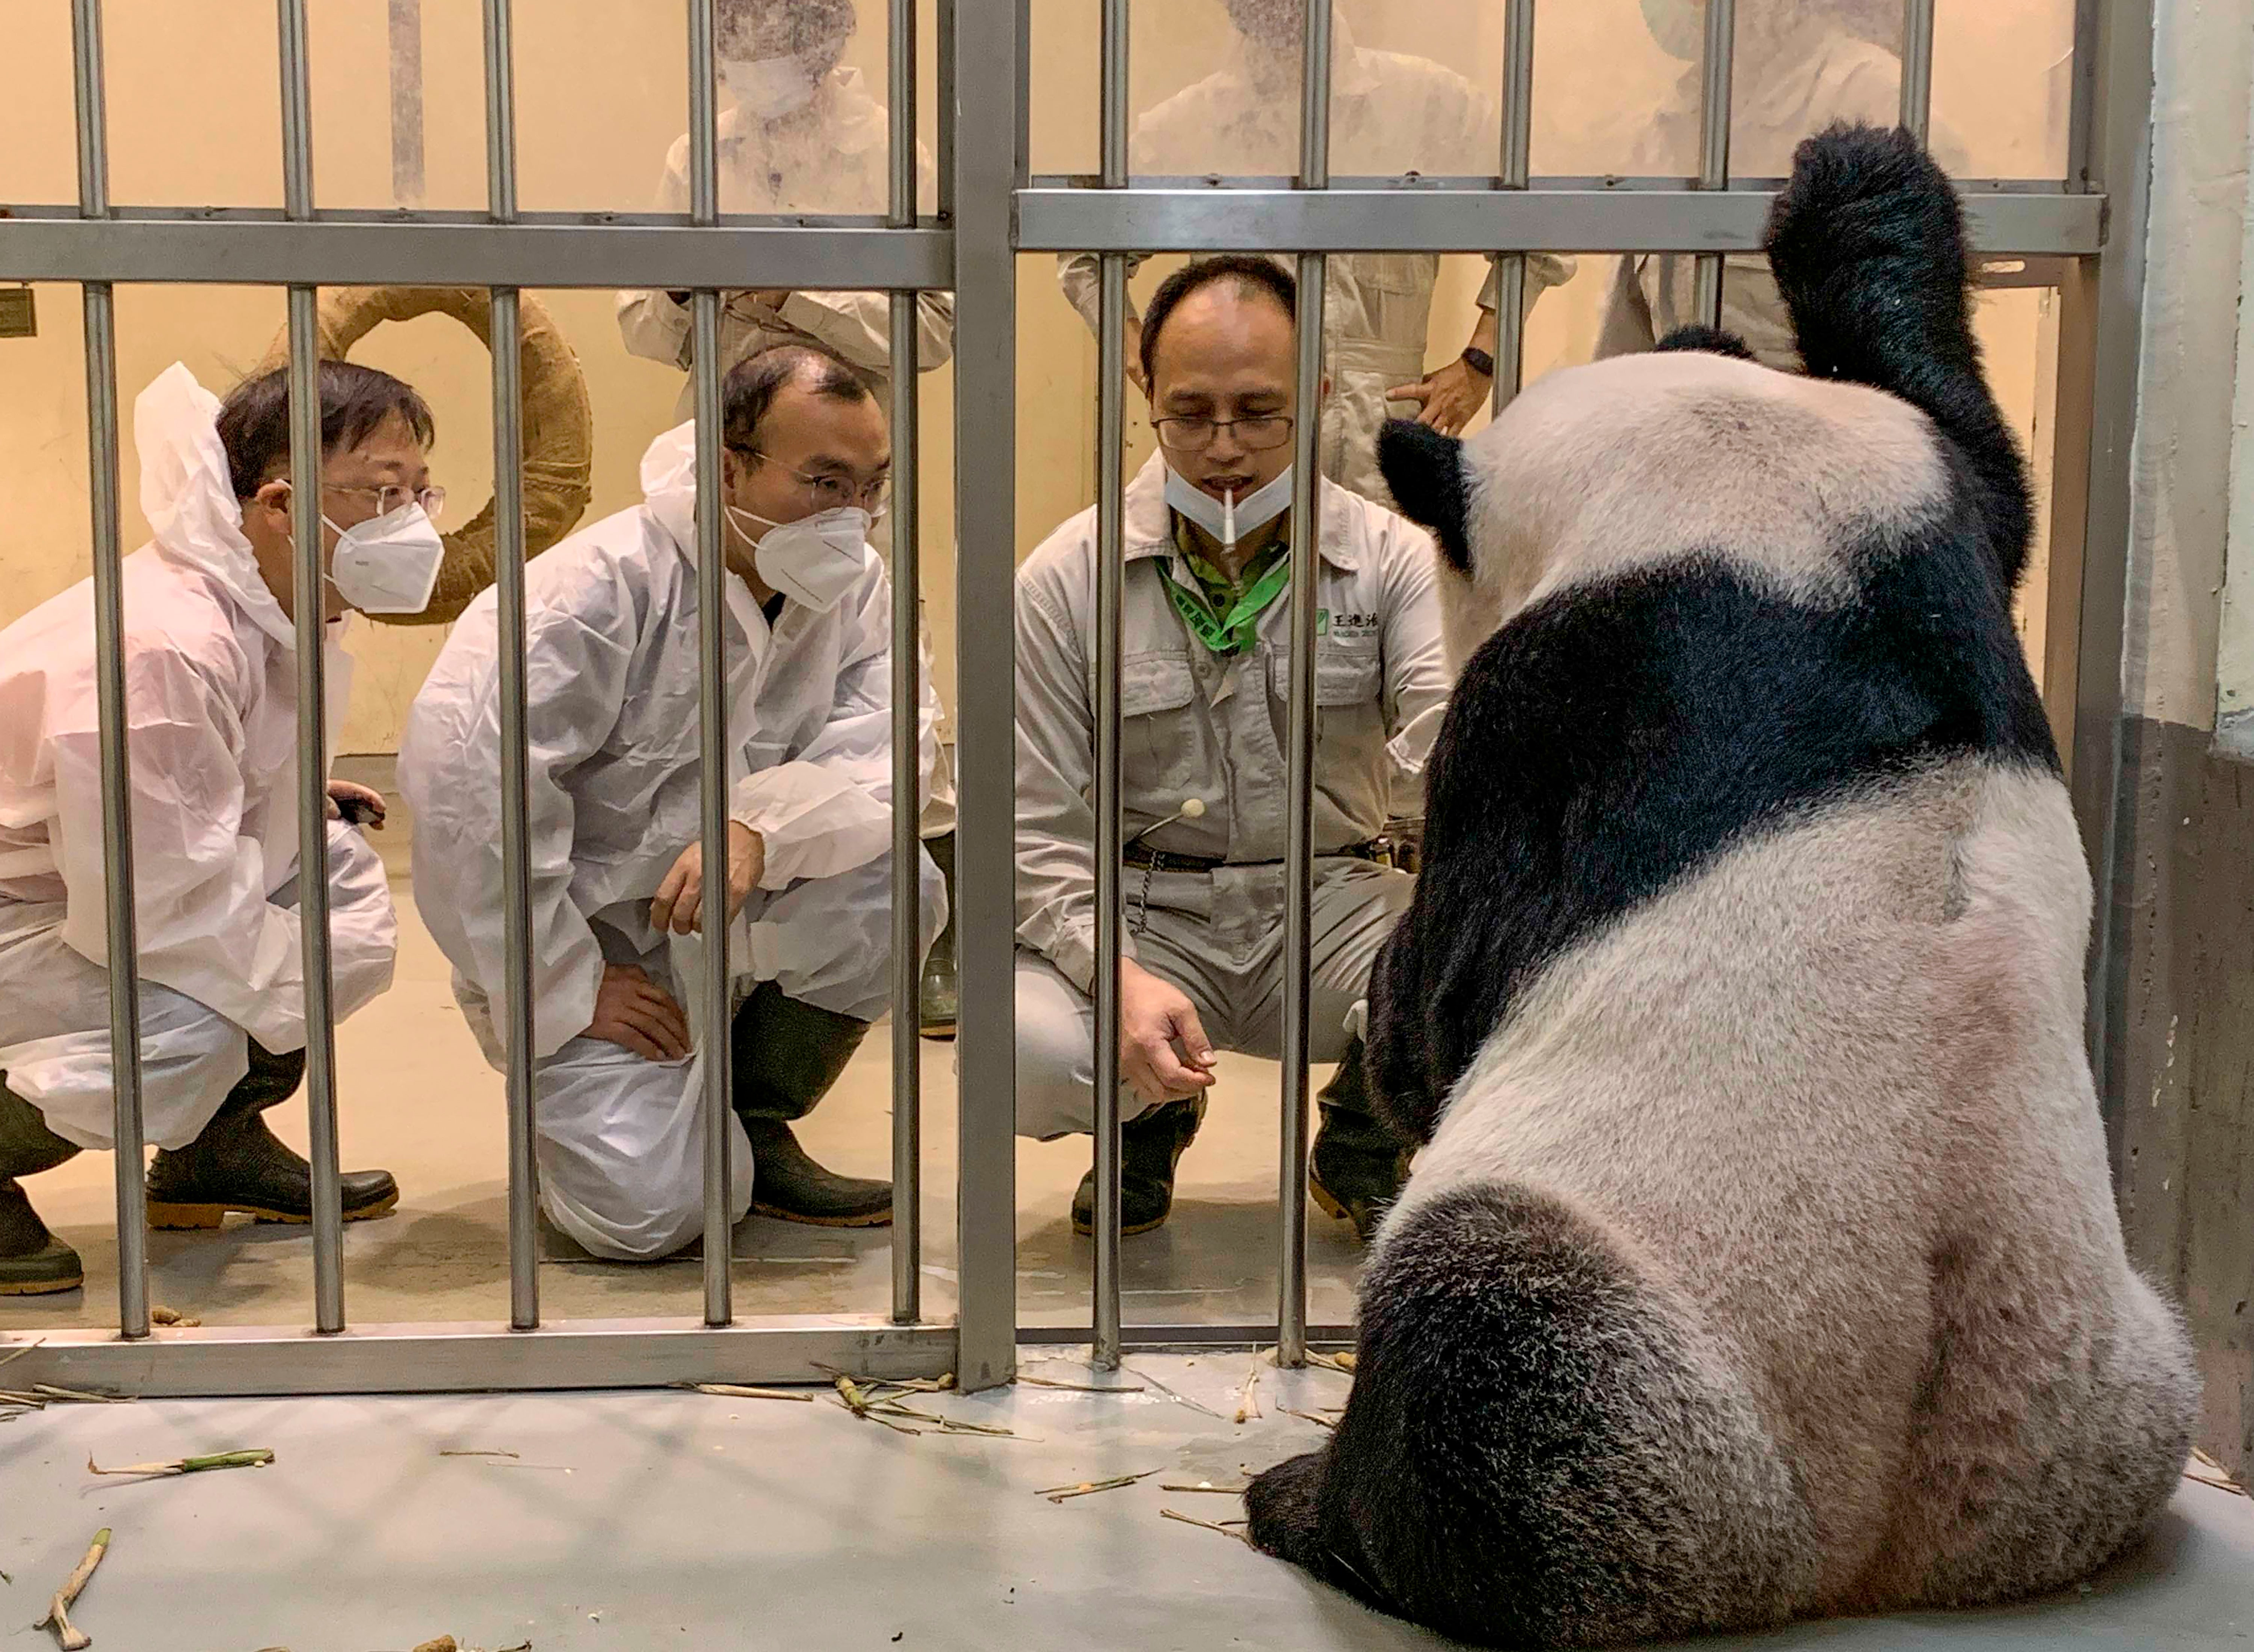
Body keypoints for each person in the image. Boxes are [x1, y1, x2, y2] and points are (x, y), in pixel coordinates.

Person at [400, 344, 945, 1262]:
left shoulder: (856, 590)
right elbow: (470, 804)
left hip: (739, 896)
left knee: (901, 885)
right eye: (823, 482)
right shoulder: (591, 593)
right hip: (597, 943)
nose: (853, 518)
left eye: (871, 484)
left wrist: (761, 826)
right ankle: (589, 1100)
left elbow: (892, 749)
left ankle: (753, 1118)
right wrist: (563, 983)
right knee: (647, 1218)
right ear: (728, 464)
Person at [1014, 257, 1449, 1242]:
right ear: (1146, 397)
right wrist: (1114, 972)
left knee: (1507, 979)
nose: (1226, 450)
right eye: (1192, 413)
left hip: (1333, 897)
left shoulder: (1394, 560)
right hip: (1145, 907)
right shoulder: (1066, 578)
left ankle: (1365, 1130)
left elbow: (1445, 735)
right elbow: (1032, 834)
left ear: (1320, 396)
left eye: (1261, 412)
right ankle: (1148, 1115)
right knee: (1025, 1051)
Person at [0, 361, 435, 1294]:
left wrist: (288, 798)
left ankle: (212, 1152)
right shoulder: (163, 644)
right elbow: (159, 906)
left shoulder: (268, 600)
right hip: (37, 907)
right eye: (385, 493)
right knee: (193, 1017)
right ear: (282, 504)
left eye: (419, 492)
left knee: (327, 887)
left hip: (82, 883)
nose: (415, 523)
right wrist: (269, 975)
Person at [616, 0, 961, 1038]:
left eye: (773, 40)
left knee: (877, 685)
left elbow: (933, 328)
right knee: (704, 673)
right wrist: (685, 295)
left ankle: (924, 937)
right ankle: (695, 908)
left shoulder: (892, 156)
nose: (752, 63)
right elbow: (638, 320)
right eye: (737, 43)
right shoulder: (698, 151)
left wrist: (792, 290)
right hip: (723, 470)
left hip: (833, 470)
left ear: (828, 42)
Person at [1058, 0, 1574, 504]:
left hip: (1378, 450)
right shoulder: (1188, 125)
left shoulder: (1427, 104)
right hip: (1233, 449)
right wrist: (1145, 365)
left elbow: (1541, 224)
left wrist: (1480, 362)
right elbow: (1085, 255)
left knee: (1383, 584)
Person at [1596, 0, 1975, 367]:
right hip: (1683, 422)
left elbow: (1921, 345)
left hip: (1814, 427)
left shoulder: (1872, 98)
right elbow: (1624, 351)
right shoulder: (1671, 124)